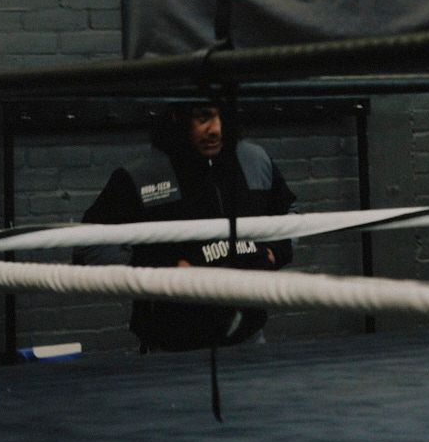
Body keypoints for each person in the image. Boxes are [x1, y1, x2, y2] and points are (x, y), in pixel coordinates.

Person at [82, 101, 294, 353]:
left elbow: (289, 214)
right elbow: (89, 246)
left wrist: (273, 252)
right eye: (203, 118)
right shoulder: (142, 176)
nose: (215, 129)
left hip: (248, 340)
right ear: (177, 117)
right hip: (172, 350)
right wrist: (158, 273)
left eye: (222, 117)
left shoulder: (254, 160)